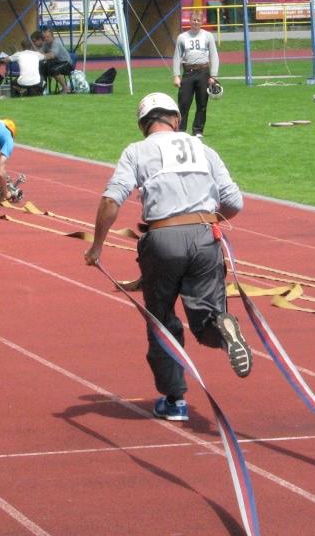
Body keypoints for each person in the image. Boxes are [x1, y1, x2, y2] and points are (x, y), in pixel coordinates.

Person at [84, 93, 249, 422]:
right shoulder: (203, 149)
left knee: (161, 321)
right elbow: (234, 201)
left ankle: (175, 400)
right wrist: (209, 219)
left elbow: (111, 200)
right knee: (205, 320)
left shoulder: (137, 151)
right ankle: (222, 326)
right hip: (205, 237)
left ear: (145, 125)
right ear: (176, 119)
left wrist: (97, 246)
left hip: (161, 238)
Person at [172, 10, 219, 137]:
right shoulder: (182, 37)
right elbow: (177, 57)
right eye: (194, 20)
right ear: (190, 20)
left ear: (202, 21)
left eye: (198, 20)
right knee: (184, 103)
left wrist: (213, 75)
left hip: (203, 72)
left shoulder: (208, 36)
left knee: (202, 103)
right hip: (188, 73)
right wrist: (176, 75)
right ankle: (181, 130)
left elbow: (214, 55)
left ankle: (198, 130)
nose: (196, 22)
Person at [38, 28, 74, 94]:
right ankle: (43, 88)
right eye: (44, 37)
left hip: (66, 63)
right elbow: (39, 53)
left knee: (54, 70)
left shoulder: (56, 43)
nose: (46, 39)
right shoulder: (45, 44)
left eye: (48, 37)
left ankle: (66, 89)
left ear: (52, 37)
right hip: (57, 63)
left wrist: (40, 55)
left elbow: (51, 55)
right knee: (42, 67)